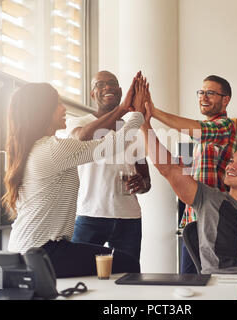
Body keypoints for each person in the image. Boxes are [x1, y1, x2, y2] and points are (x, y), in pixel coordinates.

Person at [2, 76, 148, 278]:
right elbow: (112, 144)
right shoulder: (52, 149)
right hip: (43, 252)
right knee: (127, 263)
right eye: (58, 105)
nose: (63, 109)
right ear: (43, 111)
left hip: (28, 249)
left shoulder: (31, 149)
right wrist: (137, 113)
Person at [141, 102, 237, 275]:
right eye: (231, 161)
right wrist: (145, 125)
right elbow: (167, 168)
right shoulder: (208, 198)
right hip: (216, 284)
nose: (230, 166)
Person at [146, 75, 237, 273]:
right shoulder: (194, 143)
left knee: (212, 282)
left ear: (225, 99)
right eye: (201, 92)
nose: (204, 97)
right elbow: (178, 173)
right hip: (192, 221)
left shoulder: (226, 126)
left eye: (211, 93)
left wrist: (153, 112)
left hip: (214, 222)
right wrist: (145, 124)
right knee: (189, 283)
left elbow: (199, 129)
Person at [65, 71, 151, 265]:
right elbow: (83, 137)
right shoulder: (79, 122)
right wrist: (122, 109)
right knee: (79, 271)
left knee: (126, 274)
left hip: (128, 218)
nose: (107, 87)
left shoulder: (133, 129)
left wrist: (141, 183)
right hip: (90, 215)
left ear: (120, 91)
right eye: (100, 85)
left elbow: (147, 181)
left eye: (112, 83)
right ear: (92, 94)